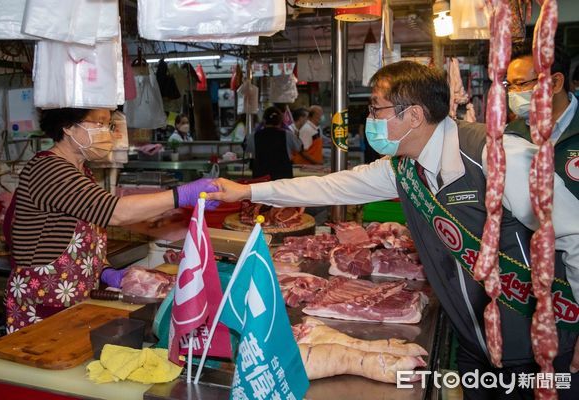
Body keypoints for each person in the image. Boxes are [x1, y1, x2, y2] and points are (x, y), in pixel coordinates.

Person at [210, 61, 579, 399]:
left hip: (543, 350)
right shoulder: (404, 167)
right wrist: (248, 191)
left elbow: (575, 234)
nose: (370, 119)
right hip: (475, 345)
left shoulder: (497, 156)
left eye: (376, 109)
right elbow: (332, 185)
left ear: (414, 115)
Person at [3, 108, 218, 333]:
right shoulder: (49, 169)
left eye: (108, 125)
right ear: (67, 126)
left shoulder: (80, 170)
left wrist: (104, 271)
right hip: (43, 302)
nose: (106, 132)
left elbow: (70, 235)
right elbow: (115, 212)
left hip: (71, 300)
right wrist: (182, 195)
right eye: (98, 123)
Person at [505, 41, 578, 198]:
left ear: (556, 83)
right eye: (510, 86)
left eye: (520, 84)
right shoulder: (511, 135)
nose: (513, 94)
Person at [245, 106, 302, 180]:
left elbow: (247, 149)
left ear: (264, 120)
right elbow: (299, 148)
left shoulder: (254, 136)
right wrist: (297, 136)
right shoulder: (288, 135)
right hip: (282, 178)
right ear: (280, 121)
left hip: (261, 178)